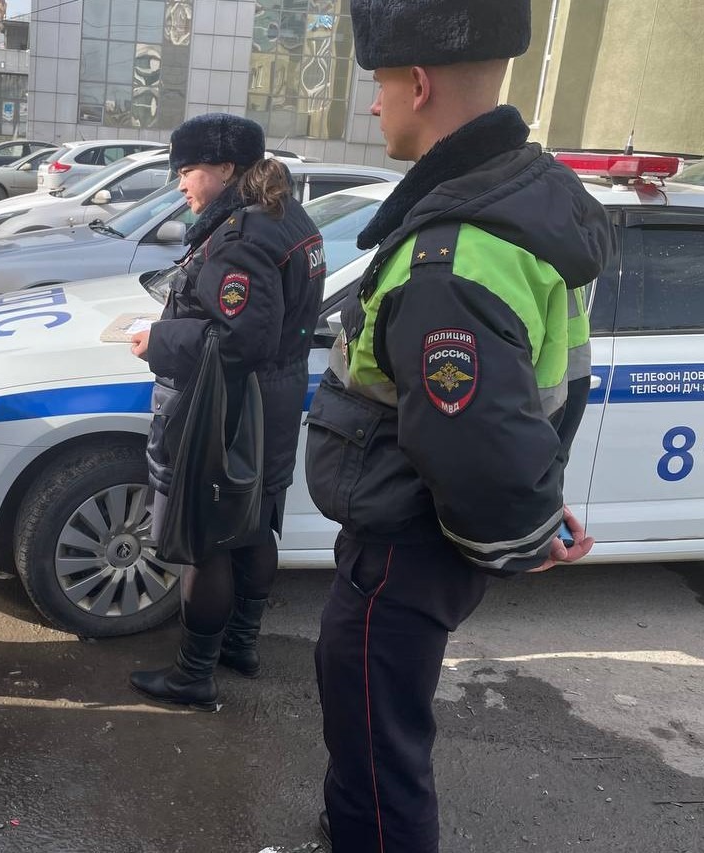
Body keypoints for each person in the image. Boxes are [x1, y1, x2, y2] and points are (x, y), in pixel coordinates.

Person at [307, 2, 614, 850]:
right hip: (423, 538)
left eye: (377, 88)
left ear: (417, 82)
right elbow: (529, 398)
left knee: (378, 755)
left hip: (404, 548)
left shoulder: (452, 250)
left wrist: (524, 523)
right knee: (378, 733)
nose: (375, 109)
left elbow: (472, 440)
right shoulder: (522, 207)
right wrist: (541, 510)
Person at [127, 114, 326, 708]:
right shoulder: (284, 214)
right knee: (255, 523)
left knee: (209, 539)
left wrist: (158, 341)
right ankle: (240, 645)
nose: (181, 184)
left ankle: (194, 673)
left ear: (226, 170)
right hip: (274, 402)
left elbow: (240, 339)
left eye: (188, 171)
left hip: (232, 409)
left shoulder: (241, 238)